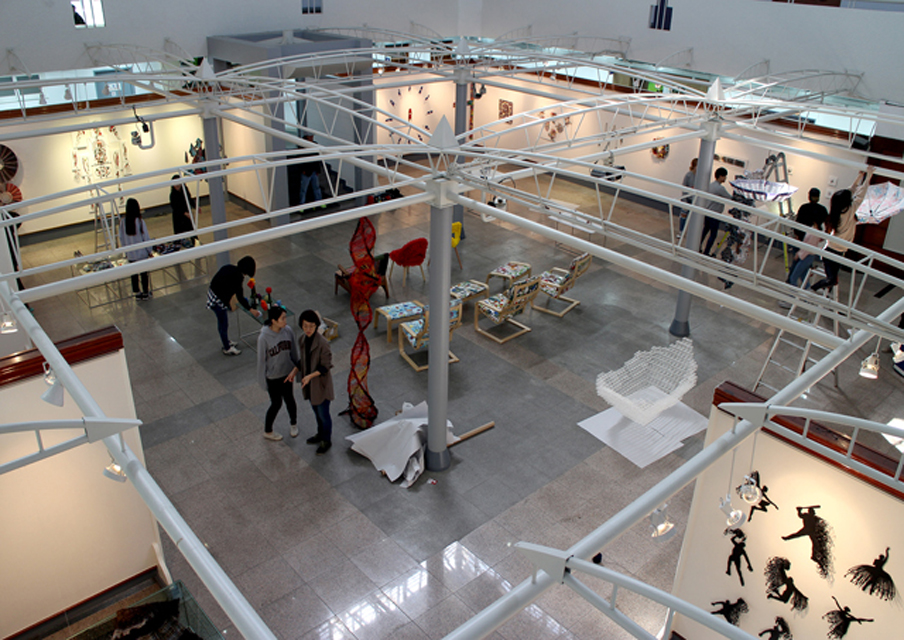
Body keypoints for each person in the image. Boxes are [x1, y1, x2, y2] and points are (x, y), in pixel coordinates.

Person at [810, 168, 874, 293]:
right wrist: (868, 175)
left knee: (833, 280)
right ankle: (813, 289)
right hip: (834, 251)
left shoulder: (838, 211)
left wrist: (860, 176)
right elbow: (860, 194)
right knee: (832, 280)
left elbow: (851, 191)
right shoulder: (849, 211)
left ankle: (821, 293)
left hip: (834, 250)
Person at [257, 306, 299, 442]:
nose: (285, 321)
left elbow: (294, 352)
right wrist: (263, 382)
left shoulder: (288, 331)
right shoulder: (263, 338)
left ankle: (293, 424)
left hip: (287, 373)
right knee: (276, 403)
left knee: (290, 399)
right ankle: (268, 430)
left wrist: (297, 369)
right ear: (274, 321)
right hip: (273, 377)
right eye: (283, 318)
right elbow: (261, 362)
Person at [297, 309, 334, 455]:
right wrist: (295, 371)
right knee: (316, 413)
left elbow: (326, 366)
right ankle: (320, 434)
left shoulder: (323, 343)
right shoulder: (302, 339)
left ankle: (326, 440)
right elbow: (303, 360)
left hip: (320, 385)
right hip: (310, 385)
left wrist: (309, 376)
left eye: (311, 326)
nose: (308, 329)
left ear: (316, 326)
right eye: (305, 326)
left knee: (323, 414)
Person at [206, 255, 260, 355]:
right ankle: (227, 347)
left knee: (222, 323)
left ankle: (226, 341)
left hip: (212, 295)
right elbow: (240, 297)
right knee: (223, 324)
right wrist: (251, 309)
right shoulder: (238, 277)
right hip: (217, 301)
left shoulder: (229, 267)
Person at [118, 198, 152, 301]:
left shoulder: (123, 222)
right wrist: (149, 250)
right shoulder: (140, 221)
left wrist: (126, 251)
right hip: (142, 253)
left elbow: (121, 237)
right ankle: (145, 292)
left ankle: (137, 293)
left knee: (134, 273)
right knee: (143, 273)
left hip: (131, 254)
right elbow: (145, 237)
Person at [700, 167, 731, 257]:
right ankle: (706, 251)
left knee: (705, 231)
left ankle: (698, 246)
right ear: (720, 176)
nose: (725, 178)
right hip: (714, 214)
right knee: (713, 234)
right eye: (724, 176)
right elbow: (729, 198)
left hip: (707, 212)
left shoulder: (711, 185)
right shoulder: (720, 188)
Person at [298, 134, 323, 206]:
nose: (312, 137)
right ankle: (302, 204)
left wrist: (318, 170)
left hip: (314, 170)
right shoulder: (302, 146)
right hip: (306, 171)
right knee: (304, 189)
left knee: (316, 187)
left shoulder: (315, 144)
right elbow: (300, 158)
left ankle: (319, 201)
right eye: (310, 136)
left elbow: (318, 158)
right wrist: (303, 170)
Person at [169, 175, 195, 241]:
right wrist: (184, 213)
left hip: (187, 213)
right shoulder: (173, 195)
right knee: (179, 233)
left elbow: (189, 199)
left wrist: (195, 206)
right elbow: (175, 207)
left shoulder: (185, 190)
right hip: (179, 216)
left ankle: (195, 242)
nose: (177, 185)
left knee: (191, 230)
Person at [677, 157, 697, 233]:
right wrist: (684, 200)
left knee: (692, 218)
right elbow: (684, 187)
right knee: (683, 216)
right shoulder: (688, 175)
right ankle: (681, 231)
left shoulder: (700, 177)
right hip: (687, 199)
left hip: (694, 200)